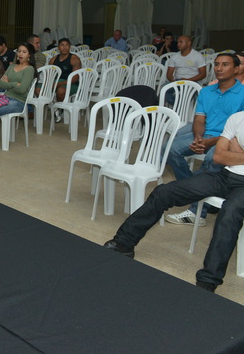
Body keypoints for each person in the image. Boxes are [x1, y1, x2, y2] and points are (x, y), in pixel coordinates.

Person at [103, 110, 244, 293]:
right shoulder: (238, 118)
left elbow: (225, 155)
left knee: (229, 215)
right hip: (224, 176)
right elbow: (218, 157)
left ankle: (208, 281)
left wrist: (235, 152)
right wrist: (233, 154)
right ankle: (124, 243)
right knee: (164, 192)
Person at [164, 53, 244, 226]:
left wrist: (210, 142)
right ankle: (193, 189)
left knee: (212, 159)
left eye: (225, 65)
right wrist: (199, 138)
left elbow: (237, 130)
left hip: (228, 140)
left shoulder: (243, 94)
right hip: (205, 134)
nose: (219, 68)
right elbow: (199, 120)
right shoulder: (206, 91)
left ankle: (197, 213)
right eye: (216, 64)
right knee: (169, 148)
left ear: (236, 69)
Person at [49, 38, 82, 106]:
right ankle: (50, 107)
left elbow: (75, 78)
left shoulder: (74, 59)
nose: (64, 47)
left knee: (61, 91)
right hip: (57, 82)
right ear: (58, 47)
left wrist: (58, 84)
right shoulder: (53, 59)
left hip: (71, 84)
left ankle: (60, 109)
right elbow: (50, 74)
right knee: (38, 89)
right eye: (62, 45)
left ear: (70, 47)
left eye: (67, 45)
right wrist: (51, 83)